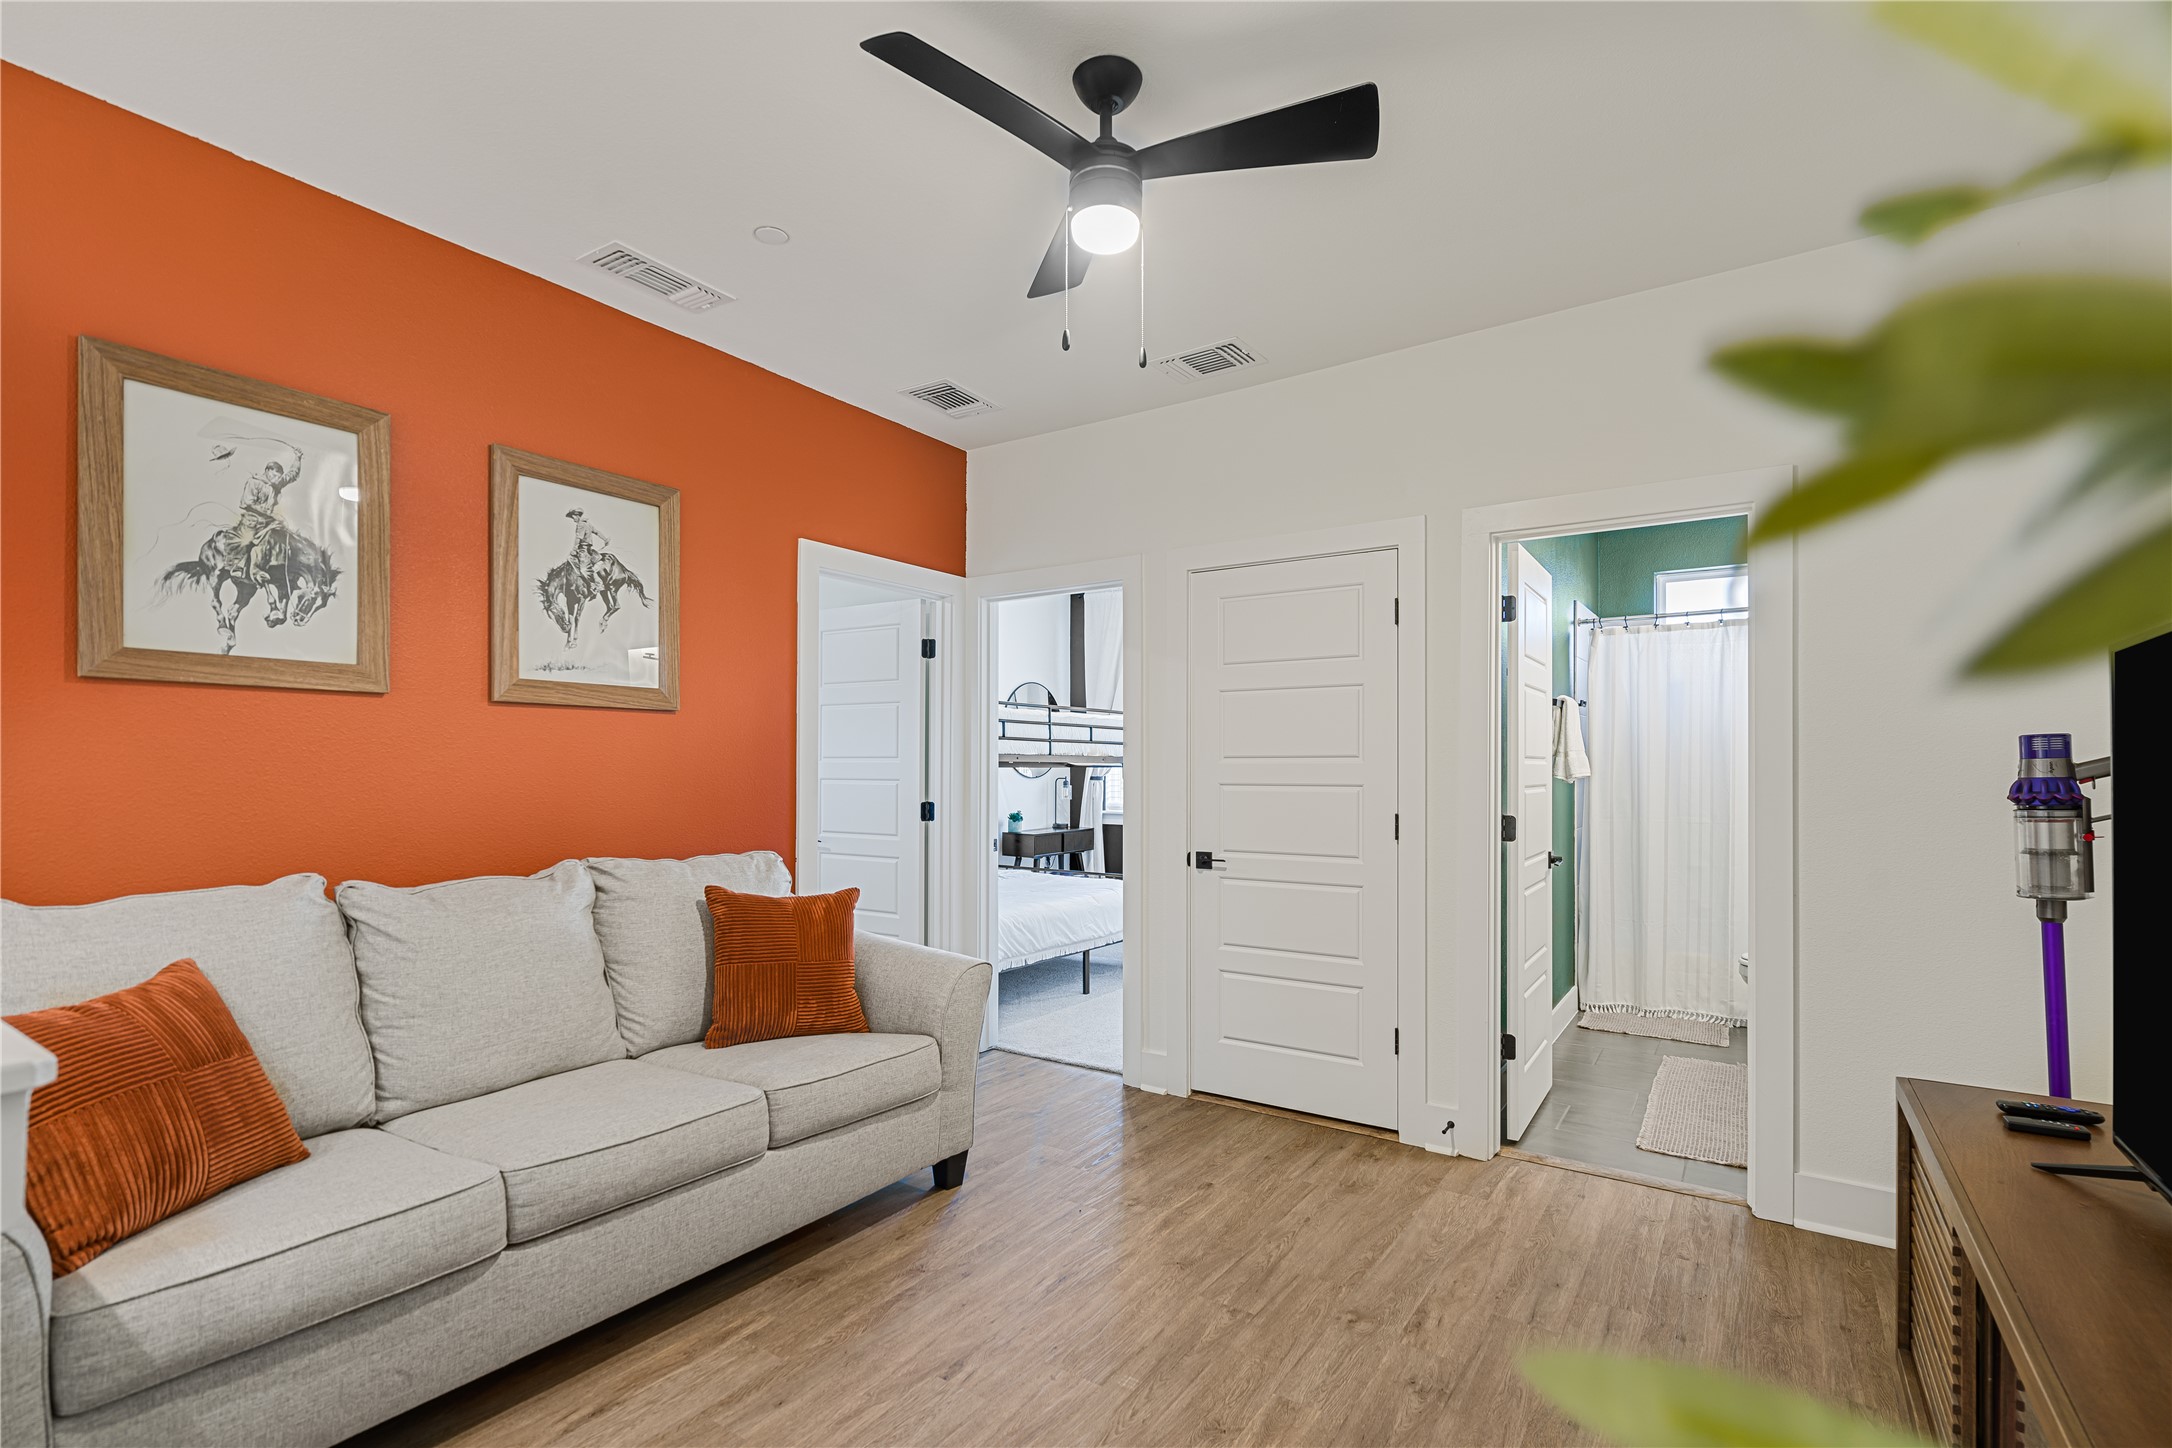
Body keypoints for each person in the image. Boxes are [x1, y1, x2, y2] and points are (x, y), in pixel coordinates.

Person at [225, 448, 301, 585]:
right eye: (275, 475)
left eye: (279, 476)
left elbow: (292, 475)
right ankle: (238, 566)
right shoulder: (253, 482)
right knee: (246, 540)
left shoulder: (276, 484)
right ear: (267, 471)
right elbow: (247, 503)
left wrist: (298, 458)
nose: (277, 479)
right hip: (251, 520)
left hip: (269, 521)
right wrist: (267, 512)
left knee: (285, 537)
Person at [567, 508, 610, 585]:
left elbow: (578, 538)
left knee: (582, 569)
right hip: (589, 549)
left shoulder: (581, 524)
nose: (573, 519)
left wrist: (574, 549)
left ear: (577, 516)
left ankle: (595, 584)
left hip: (583, 550)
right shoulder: (588, 524)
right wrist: (605, 539)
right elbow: (597, 532)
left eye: (573, 517)